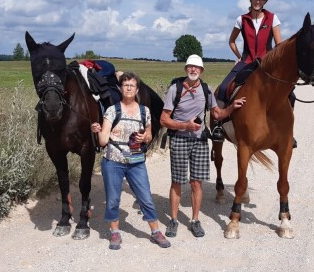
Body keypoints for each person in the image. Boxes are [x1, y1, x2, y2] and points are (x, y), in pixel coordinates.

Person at [160, 54, 246, 238]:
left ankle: (195, 220)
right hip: (179, 140)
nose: (193, 70)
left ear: (201, 71)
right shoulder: (174, 89)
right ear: (186, 69)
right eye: (190, 67)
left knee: (196, 183)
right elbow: (164, 119)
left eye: (196, 68)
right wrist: (185, 126)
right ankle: (174, 220)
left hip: (200, 142)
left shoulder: (206, 90)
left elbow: (217, 113)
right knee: (177, 182)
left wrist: (232, 107)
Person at [91, 72, 171, 250]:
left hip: (136, 161)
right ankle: (115, 233)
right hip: (113, 160)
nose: (128, 88)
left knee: (146, 197)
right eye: (125, 85)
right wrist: (97, 130)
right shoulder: (112, 111)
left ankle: (155, 231)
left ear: (137, 89)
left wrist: (145, 137)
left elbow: (149, 136)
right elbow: (103, 141)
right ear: (120, 88)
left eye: (132, 85)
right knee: (113, 199)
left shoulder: (145, 111)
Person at [216, 0, 297, 148]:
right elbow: (231, 41)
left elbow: (279, 44)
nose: (257, 1)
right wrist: (239, 56)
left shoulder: (272, 18)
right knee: (224, 88)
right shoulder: (241, 19)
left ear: (265, 1)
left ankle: (288, 131)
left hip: (266, 64)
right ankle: (219, 126)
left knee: (291, 95)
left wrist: (276, 62)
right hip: (246, 61)